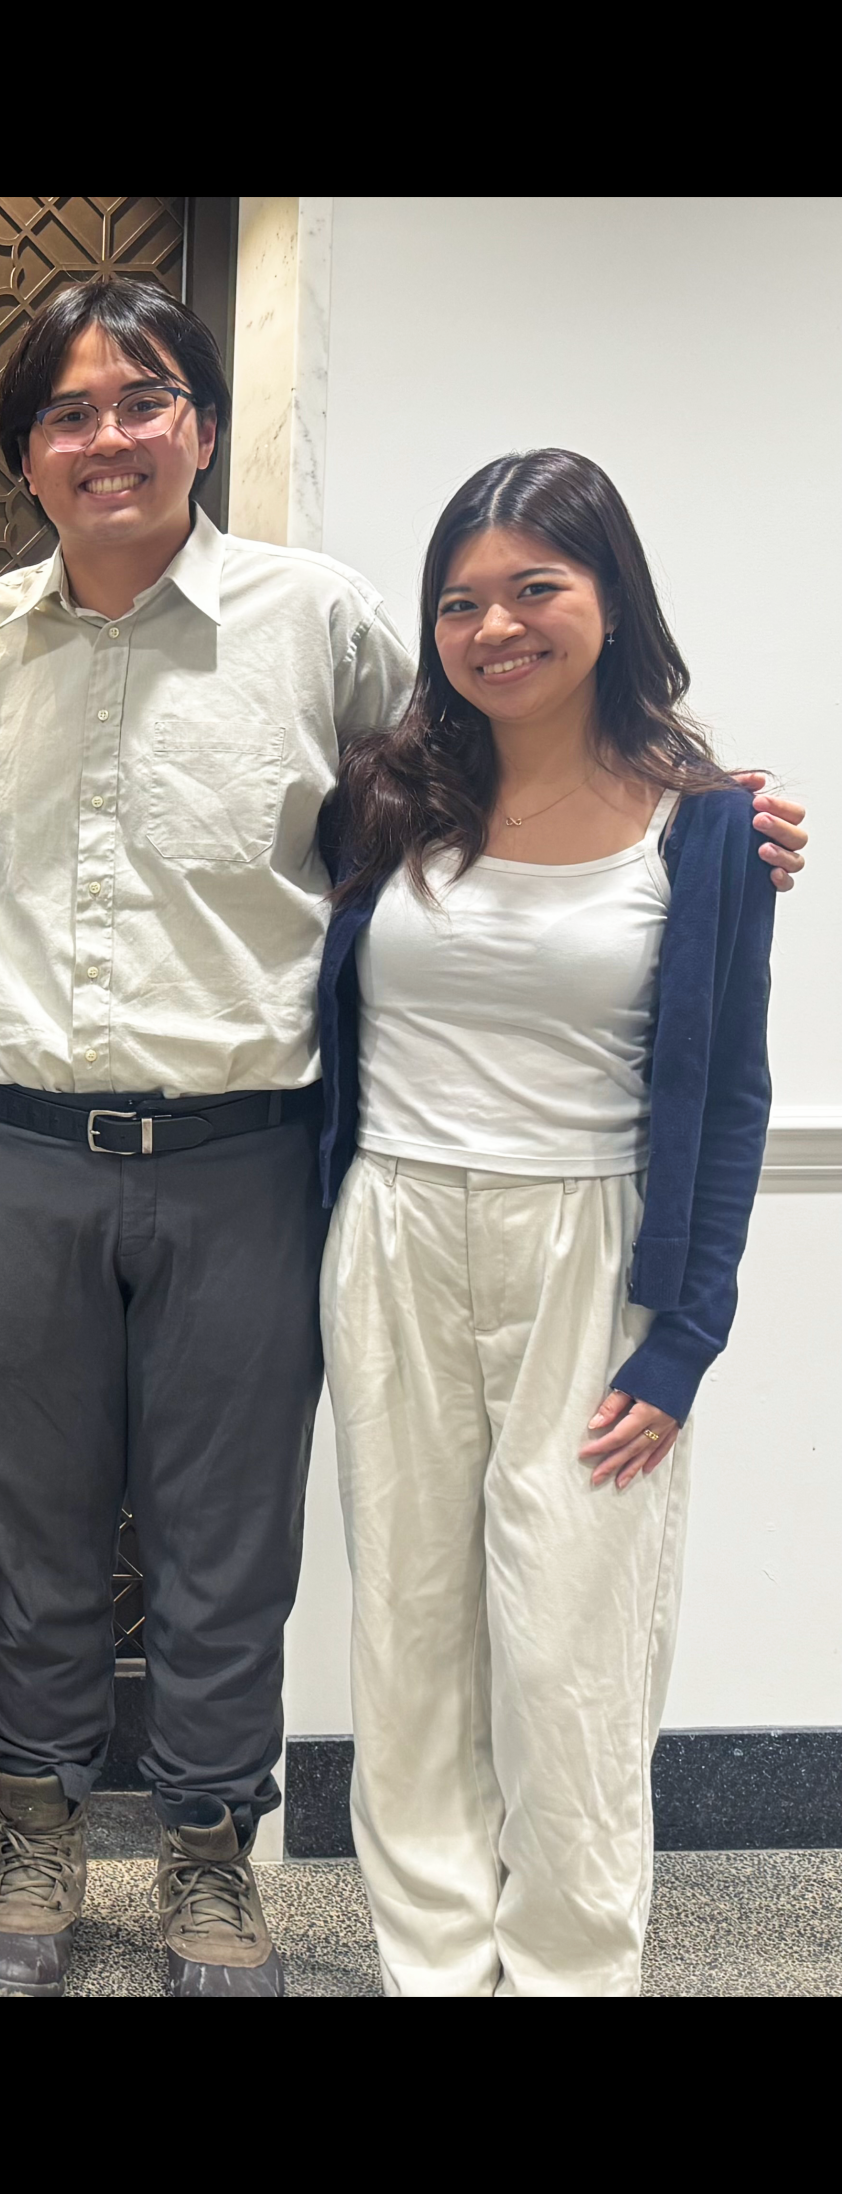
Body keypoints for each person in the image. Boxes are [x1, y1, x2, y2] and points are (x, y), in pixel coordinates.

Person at [0, 273, 811, 1998]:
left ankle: (208, 1863)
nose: (108, 436)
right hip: (16, 1145)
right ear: (26, 451)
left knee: (233, 1543)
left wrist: (724, 819)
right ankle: (36, 1838)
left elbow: (509, 756)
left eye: (142, 399)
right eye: (69, 412)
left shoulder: (320, 619)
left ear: (199, 422)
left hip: (255, 1158)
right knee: (39, 1528)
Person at [317, 449, 775, 1995]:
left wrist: (691, 1328)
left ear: (609, 599)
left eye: (534, 589)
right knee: (413, 1634)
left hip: (597, 1248)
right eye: (460, 600)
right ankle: (432, 1963)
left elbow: (730, 1095)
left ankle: (575, 1968)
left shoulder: (708, 829)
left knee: (575, 1647)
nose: (494, 625)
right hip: (390, 1234)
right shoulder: (385, 799)